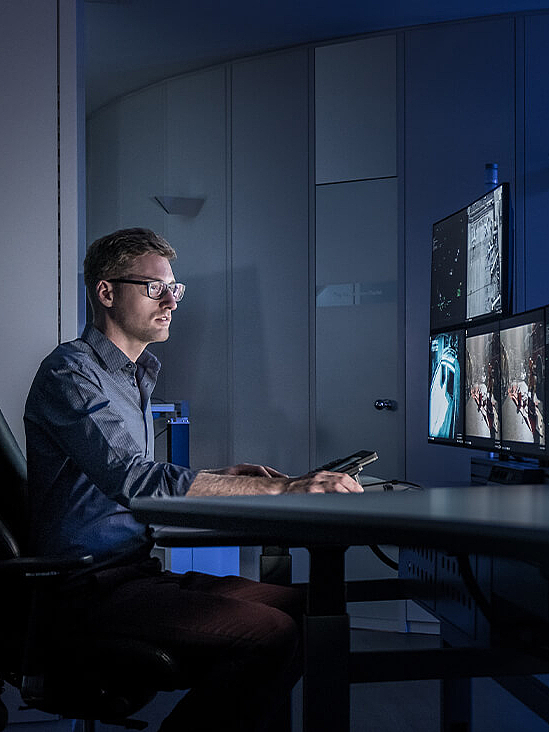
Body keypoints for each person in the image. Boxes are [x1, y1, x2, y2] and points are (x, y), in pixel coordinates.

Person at [24, 227, 361, 732]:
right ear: (106, 291)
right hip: (88, 590)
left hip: (133, 573)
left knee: (310, 612)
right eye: (155, 287)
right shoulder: (71, 373)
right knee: (273, 634)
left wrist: (221, 477)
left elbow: (119, 478)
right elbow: (133, 480)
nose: (171, 301)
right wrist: (284, 488)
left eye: (174, 290)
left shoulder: (133, 377)